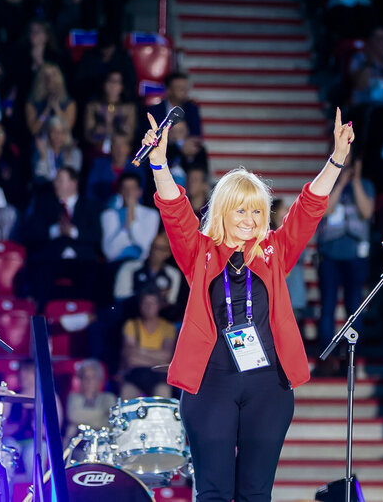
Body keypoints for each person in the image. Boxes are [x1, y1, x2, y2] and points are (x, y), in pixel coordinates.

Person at [142, 105, 354, 501]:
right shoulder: (199, 252)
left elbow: (309, 209)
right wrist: (159, 165)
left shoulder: (275, 251)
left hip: (268, 386)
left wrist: (336, 159)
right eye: (240, 209)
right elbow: (175, 212)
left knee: (256, 495)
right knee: (214, 493)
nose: (249, 218)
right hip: (210, 385)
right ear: (223, 210)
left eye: (257, 210)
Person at [315, 155, 374, 353]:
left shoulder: (365, 184)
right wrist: (340, 184)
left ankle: (352, 353)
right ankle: (327, 353)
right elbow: (325, 211)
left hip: (356, 255)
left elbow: (366, 212)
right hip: (329, 254)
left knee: (354, 307)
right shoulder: (325, 183)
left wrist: (355, 181)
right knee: (328, 306)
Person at [22, 167, 102, 305]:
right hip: (53, 258)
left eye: (60, 180)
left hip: (82, 260)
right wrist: (55, 231)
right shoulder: (44, 204)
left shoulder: (90, 206)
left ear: (73, 183)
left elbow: (97, 234)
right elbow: (31, 232)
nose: (55, 184)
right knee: (39, 272)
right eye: (55, 180)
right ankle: (43, 317)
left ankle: (85, 318)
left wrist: (73, 232)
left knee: (93, 276)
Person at [119, 287, 177, 399]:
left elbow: (167, 357)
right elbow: (130, 358)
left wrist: (140, 350)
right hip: (135, 375)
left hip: (160, 377)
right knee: (126, 399)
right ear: (140, 305)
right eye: (145, 303)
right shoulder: (131, 325)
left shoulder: (168, 328)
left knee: (163, 395)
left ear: (159, 305)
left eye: (153, 303)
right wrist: (157, 358)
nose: (149, 307)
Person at [114, 231, 183, 319]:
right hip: (130, 314)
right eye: (154, 247)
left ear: (168, 253)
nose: (155, 252)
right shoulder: (130, 267)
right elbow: (120, 297)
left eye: (161, 248)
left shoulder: (173, 274)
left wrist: (158, 300)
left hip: (161, 318)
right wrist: (148, 296)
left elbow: (171, 302)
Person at [83, 70, 137, 154]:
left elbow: (130, 135)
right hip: (97, 148)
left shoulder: (128, 108)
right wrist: (98, 131)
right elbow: (88, 134)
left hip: (120, 150)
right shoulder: (93, 106)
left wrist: (116, 131)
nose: (113, 86)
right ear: (104, 84)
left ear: (122, 86)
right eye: (110, 81)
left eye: (116, 82)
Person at [65, 359, 117, 440]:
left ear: (100, 380)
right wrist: (102, 414)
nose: (89, 381)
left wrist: (84, 419)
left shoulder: (108, 397)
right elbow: (74, 416)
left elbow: (111, 421)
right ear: (81, 381)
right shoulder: (74, 397)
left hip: (102, 443)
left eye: (93, 377)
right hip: (77, 444)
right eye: (86, 377)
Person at [25, 62, 77, 138]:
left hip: (62, 142)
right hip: (41, 142)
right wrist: (46, 110)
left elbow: (68, 127)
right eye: (46, 76)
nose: (50, 79)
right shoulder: (32, 102)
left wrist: (57, 108)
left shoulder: (68, 102)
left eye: (53, 75)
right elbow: (34, 130)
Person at [32, 116, 82, 187]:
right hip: (44, 191)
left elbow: (71, 179)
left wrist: (66, 159)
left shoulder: (75, 152)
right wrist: (43, 156)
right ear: (48, 133)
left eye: (61, 132)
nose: (57, 135)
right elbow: (38, 178)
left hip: (65, 192)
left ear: (67, 134)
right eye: (54, 131)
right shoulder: (40, 150)